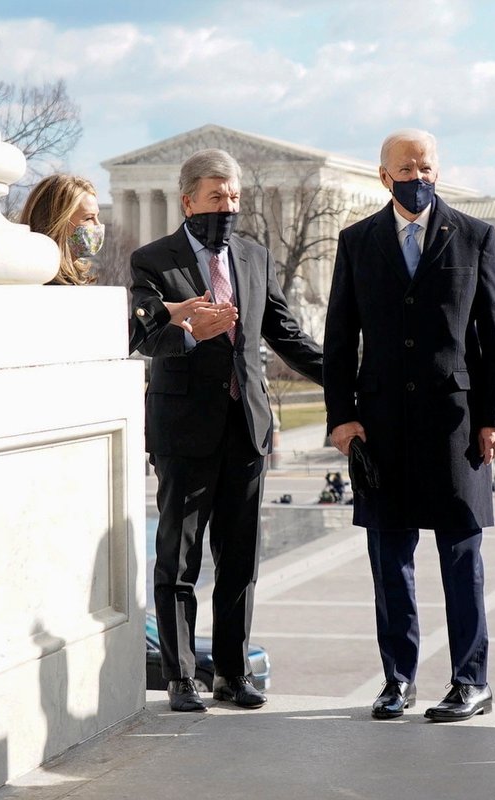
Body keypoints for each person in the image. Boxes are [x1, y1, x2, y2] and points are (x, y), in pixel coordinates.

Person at [324, 128, 495, 722]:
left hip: (456, 426)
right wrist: (343, 416)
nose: (419, 175)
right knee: (390, 560)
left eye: (427, 164)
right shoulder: (356, 241)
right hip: (380, 427)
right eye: (406, 166)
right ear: (384, 176)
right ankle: (398, 680)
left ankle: (471, 681)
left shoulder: (476, 236)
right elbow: (338, 338)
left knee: (462, 558)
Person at [130, 149, 324, 713]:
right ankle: (181, 676)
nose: (228, 207)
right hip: (184, 433)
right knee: (180, 560)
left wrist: (351, 380)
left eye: (234, 197)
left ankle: (234, 676)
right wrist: (187, 327)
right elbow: (142, 337)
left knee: (239, 561)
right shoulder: (151, 260)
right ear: (188, 199)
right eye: (217, 197)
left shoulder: (255, 256)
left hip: (246, 430)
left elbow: (286, 334)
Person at [21, 173, 198, 351]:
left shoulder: (61, 280)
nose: (99, 225)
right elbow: (99, 341)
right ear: (58, 222)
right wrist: (157, 313)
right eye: (89, 218)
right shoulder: (46, 284)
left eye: (98, 216)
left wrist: (162, 315)